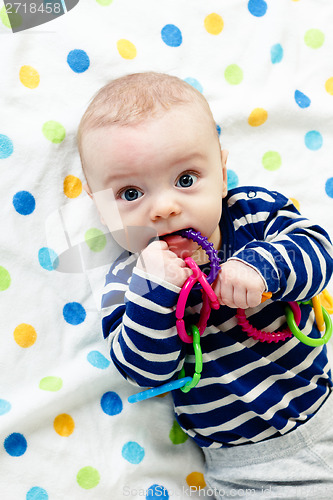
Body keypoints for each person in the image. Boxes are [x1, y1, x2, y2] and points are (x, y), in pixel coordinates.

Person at [77, 72, 333, 499]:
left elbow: (319, 252)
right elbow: (141, 370)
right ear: (101, 208)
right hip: (247, 471)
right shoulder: (128, 282)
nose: (164, 208)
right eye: (130, 192)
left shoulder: (251, 216)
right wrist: (155, 297)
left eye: (185, 180)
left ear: (222, 170)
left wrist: (260, 269)